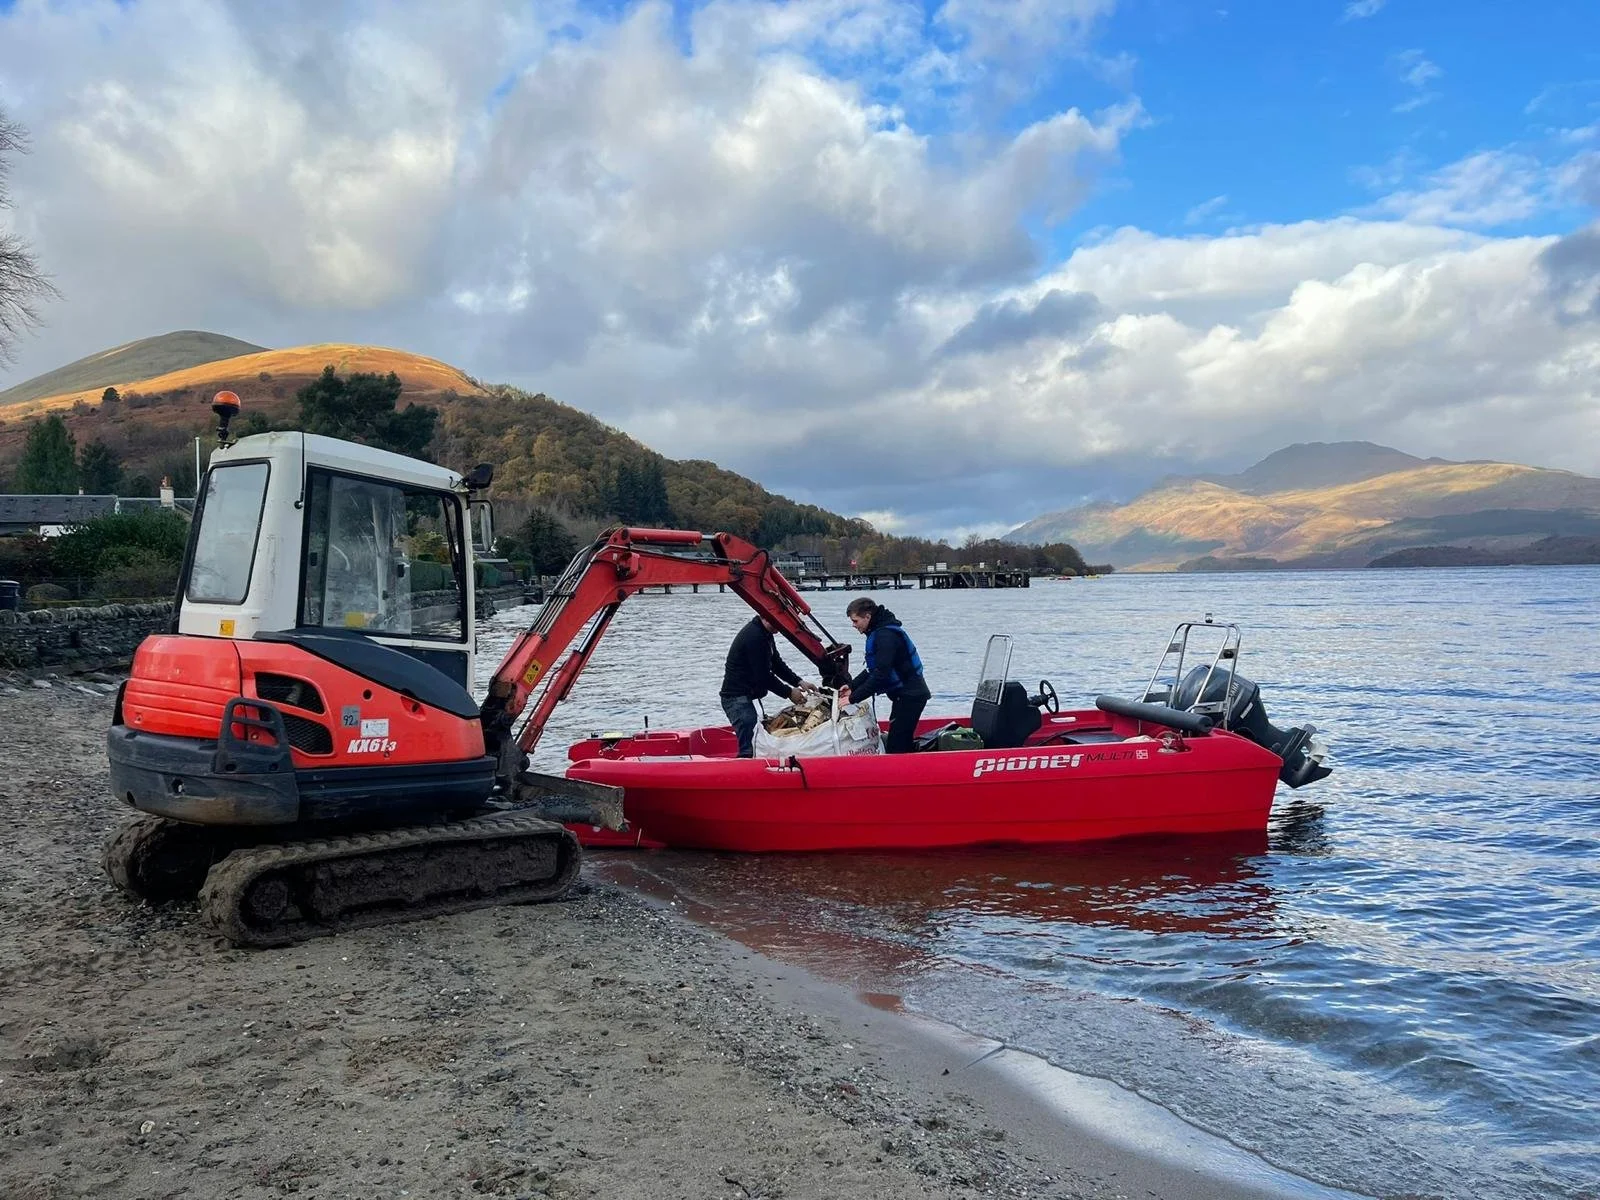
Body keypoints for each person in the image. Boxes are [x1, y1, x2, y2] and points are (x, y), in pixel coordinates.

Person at [838, 597, 930, 754]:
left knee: (897, 745)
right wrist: (852, 687)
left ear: (867, 616)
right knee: (899, 739)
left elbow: (881, 674)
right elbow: (871, 670)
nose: (854, 625)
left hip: (911, 696)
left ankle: (907, 774)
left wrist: (853, 699)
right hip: (904, 696)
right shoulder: (879, 631)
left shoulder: (885, 636)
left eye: (855, 621)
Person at [720, 615, 813, 758]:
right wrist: (789, 692)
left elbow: (776, 663)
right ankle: (745, 770)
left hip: (750, 697)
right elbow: (763, 676)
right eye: (778, 623)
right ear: (765, 617)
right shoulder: (755, 637)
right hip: (737, 699)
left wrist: (798, 681)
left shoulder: (765, 633)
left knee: (758, 738)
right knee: (751, 746)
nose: (780, 628)